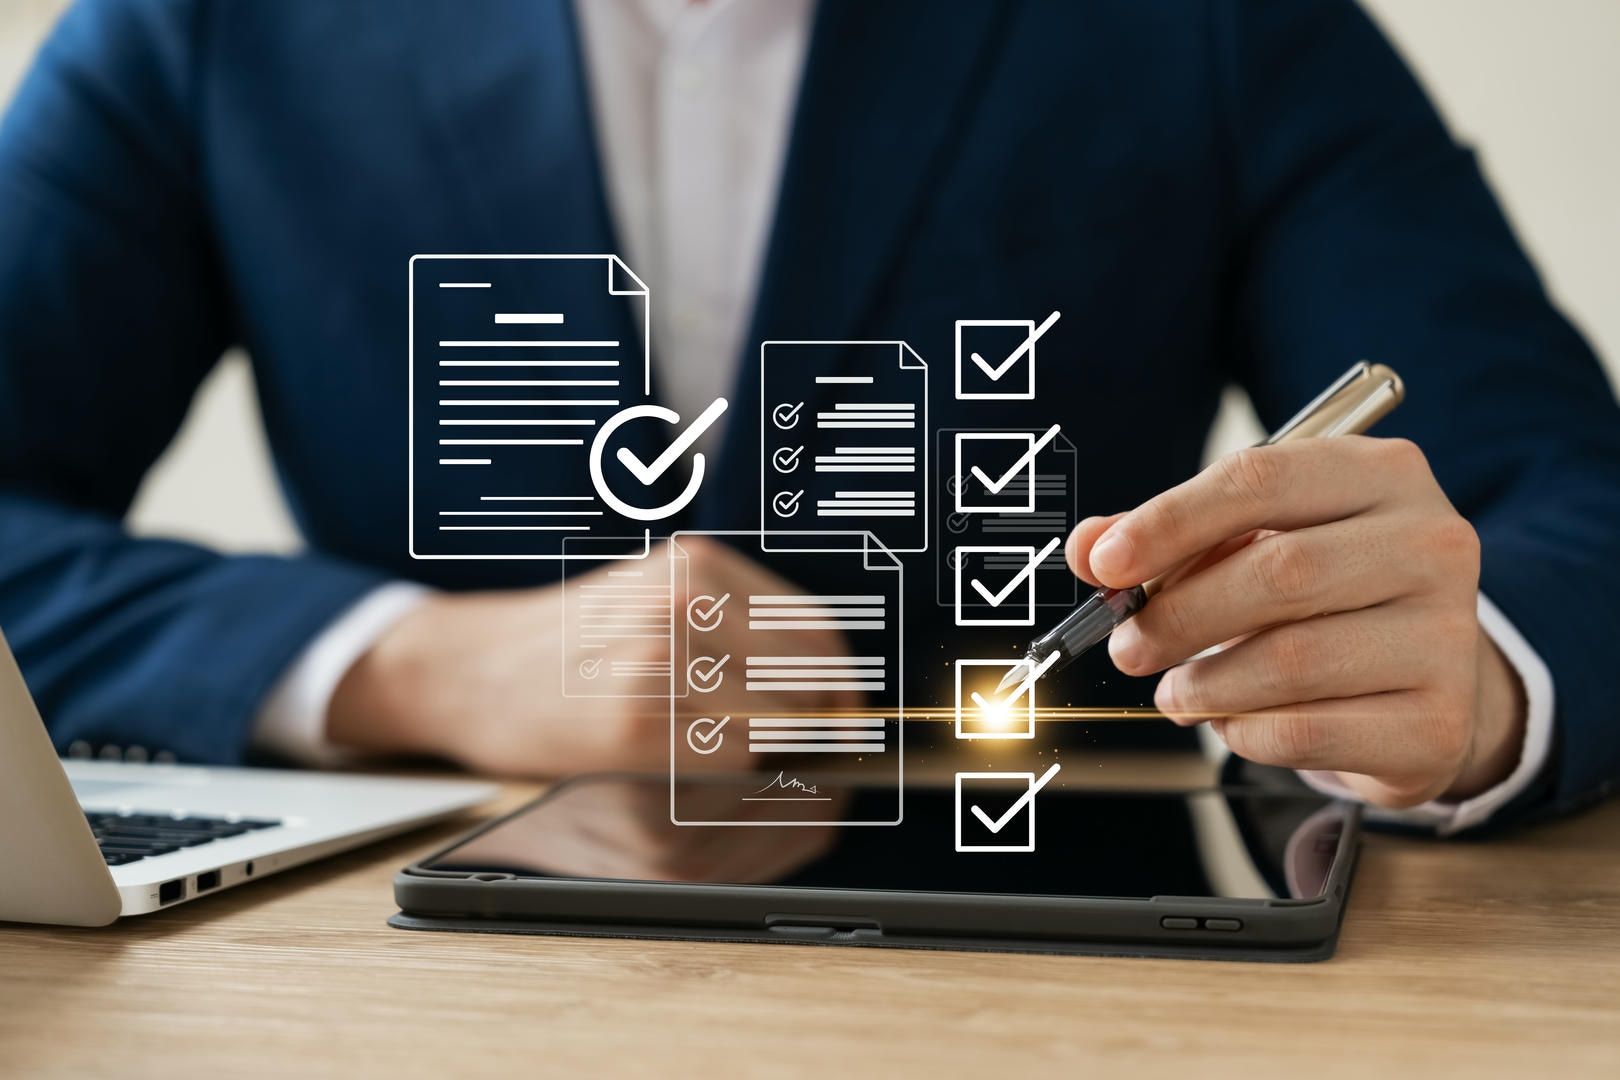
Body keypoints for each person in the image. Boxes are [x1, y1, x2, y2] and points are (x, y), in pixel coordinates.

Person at [2, 0, 1617, 835]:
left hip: (1065, 988)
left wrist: (1475, 690)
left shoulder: (1213, 22)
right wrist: (417, 661)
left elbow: (1574, 502)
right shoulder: (202, 26)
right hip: (404, 991)